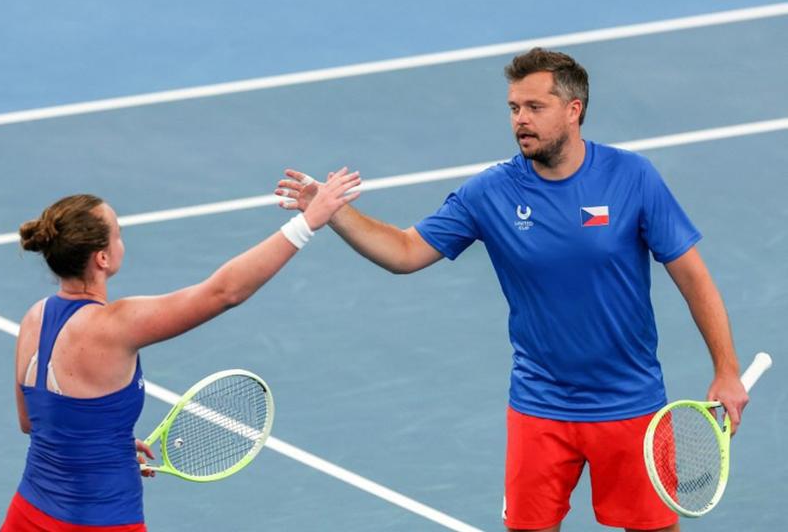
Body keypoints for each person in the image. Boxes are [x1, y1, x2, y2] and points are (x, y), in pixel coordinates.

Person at [275, 48, 749, 532]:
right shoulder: (491, 192)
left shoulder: (633, 178)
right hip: (540, 405)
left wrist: (726, 369)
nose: (520, 120)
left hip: (630, 404)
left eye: (534, 108)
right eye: (514, 108)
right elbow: (403, 251)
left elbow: (694, 277)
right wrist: (332, 212)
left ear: (573, 110)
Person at [1, 168, 360, 531]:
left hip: (27, 516)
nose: (122, 241)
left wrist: (104, 443)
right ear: (102, 259)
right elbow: (224, 292)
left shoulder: (36, 318)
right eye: (118, 235)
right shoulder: (117, 324)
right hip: (102, 523)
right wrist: (308, 222)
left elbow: (32, 422)